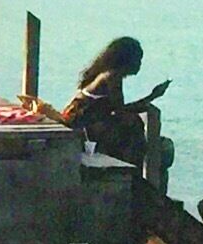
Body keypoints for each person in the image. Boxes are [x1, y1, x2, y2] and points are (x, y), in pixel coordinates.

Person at [61, 36, 170, 168]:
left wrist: (151, 97)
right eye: (138, 60)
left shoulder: (107, 74)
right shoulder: (113, 77)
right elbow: (120, 111)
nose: (140, 64)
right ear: (127, 60)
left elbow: (118, 109)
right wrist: (152, 97)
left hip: (85, 121)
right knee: (133, 124)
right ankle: (132, 166)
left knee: (131, 123)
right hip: (82, 124)